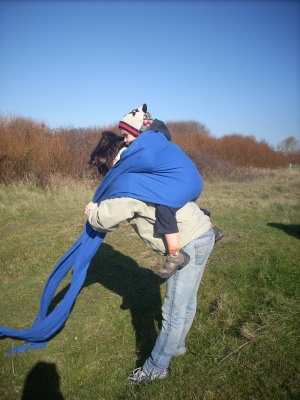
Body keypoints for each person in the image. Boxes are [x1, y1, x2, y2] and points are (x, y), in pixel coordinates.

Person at [85, 131, 215, 384]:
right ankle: (176, 347)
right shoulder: (145, 167)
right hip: (203, 233)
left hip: (189, 242)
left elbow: (106, 219)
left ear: (110, 162)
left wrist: (93, 212)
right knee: (187, 302)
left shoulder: (128, 181)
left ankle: (156, 368)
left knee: (174, 310)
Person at [118, 104, 195, 278]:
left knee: (164, 209)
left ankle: (175, 255)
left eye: (126, 135)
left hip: (181, 183)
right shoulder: (160, 140)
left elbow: (136, 164)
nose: (124, 140)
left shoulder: (148, 145)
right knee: (183, 207)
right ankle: (209, 226)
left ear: (138, 132)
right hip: (192, 181)